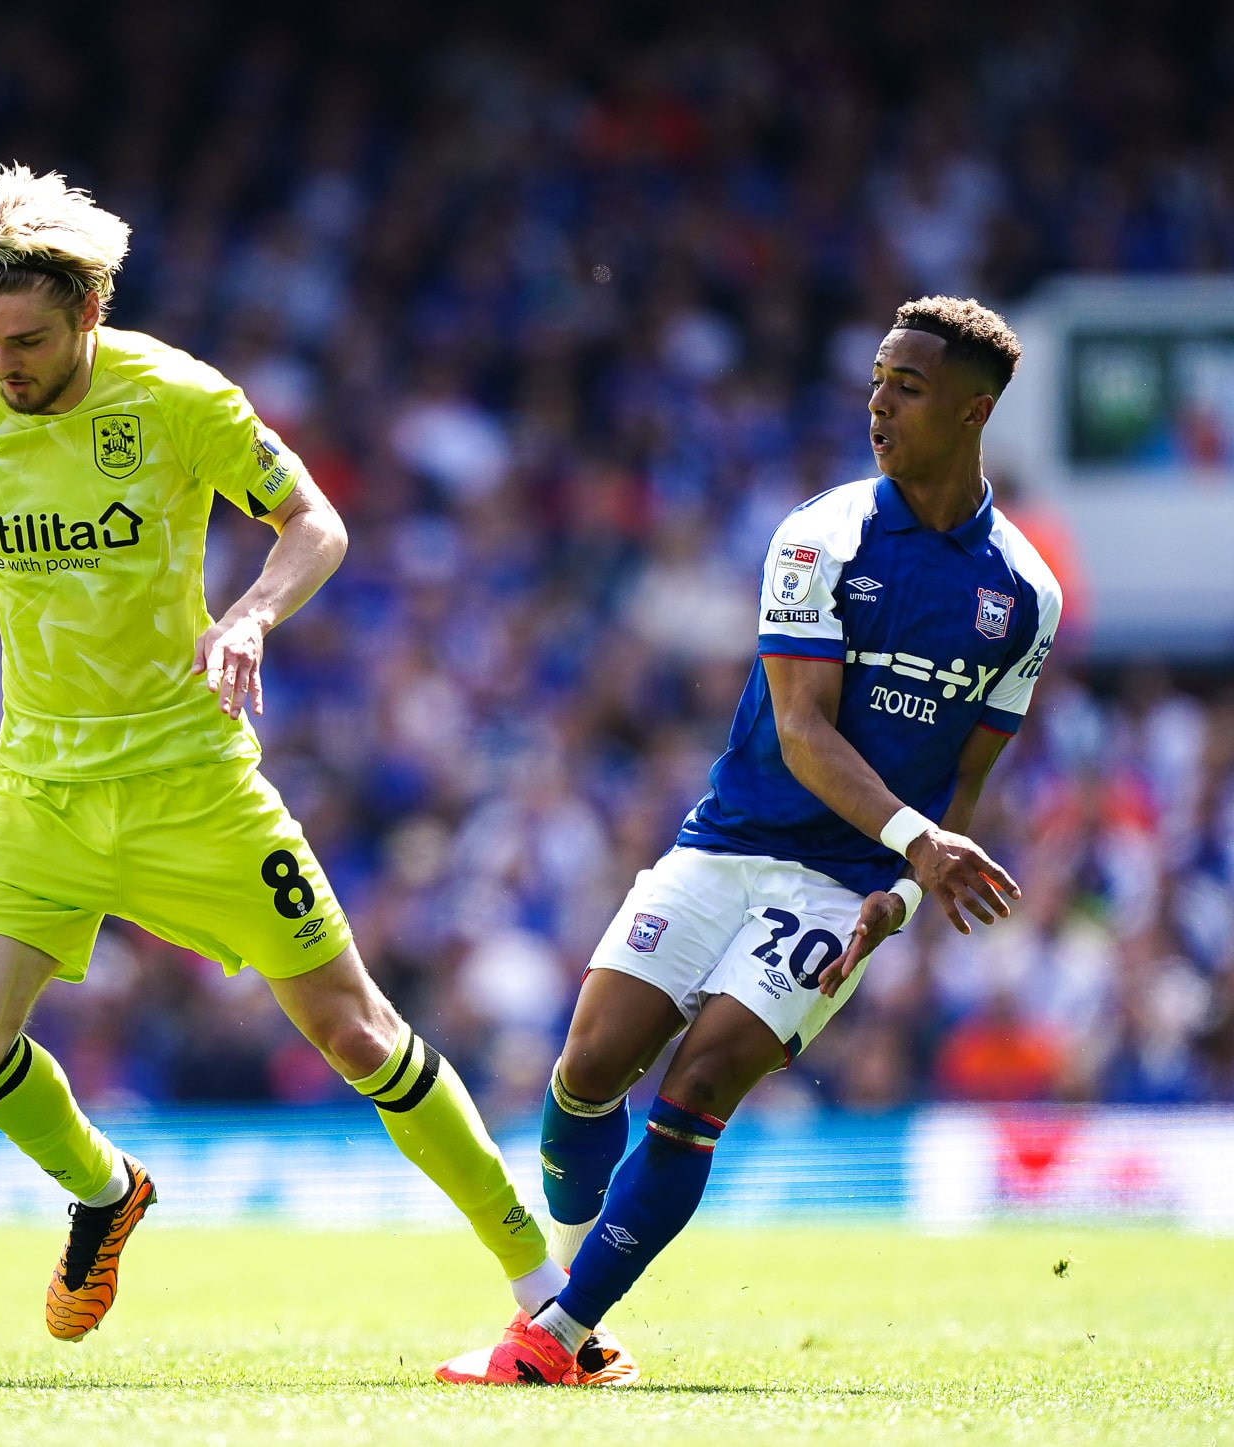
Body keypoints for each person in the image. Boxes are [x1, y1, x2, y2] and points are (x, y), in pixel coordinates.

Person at [0, 165, 618, 1366]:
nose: (2, 365)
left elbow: (313, 519)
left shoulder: (175, 399)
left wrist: (254, 614)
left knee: (357, 1034)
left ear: (88, 316)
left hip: (192, 782)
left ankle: (547, 1294)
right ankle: (104, 1189)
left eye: (24, 339)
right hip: (42, 792)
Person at [437, 296, 1063, 1386]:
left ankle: (556, 1336)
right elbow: (801, 731)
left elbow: (966, 782)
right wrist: (918, 845)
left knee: (700, 1082)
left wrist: (903, 896)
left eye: (906, 388)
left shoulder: (1023, 595)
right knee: (586, 1072)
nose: (877, 403)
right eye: (874, 378)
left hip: (846, 885)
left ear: (974, 411)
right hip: (724, 845)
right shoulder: (820, 534)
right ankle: (562, 1288)